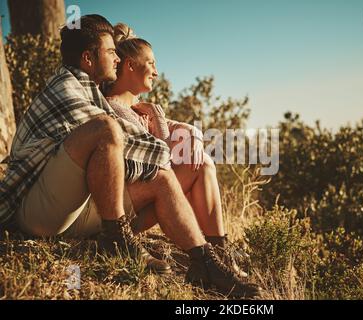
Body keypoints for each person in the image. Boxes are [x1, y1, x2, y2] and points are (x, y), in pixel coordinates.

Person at [0, 14, 261, 298]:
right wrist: (163, 146)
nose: (116, 58)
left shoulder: (92, 94)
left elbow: (139, 151)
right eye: (111, 52)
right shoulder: (66, 88)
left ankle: (205, 263)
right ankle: (118, 239)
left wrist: (176, 140)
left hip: (74, 212)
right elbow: (126, 140)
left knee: (161, 179)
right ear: (88, 58)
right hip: (38, 213)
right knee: (107, 129)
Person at [103, 23, 247, 277]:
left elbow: (177, 135)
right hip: (125, 211)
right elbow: (160, 166)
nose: (156, 72)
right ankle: (217, 256)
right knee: (201, 164)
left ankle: (220, 253)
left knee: (202, 162)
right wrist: (158, 120)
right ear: (130, 66)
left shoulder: (134, 109)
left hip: (142, 198)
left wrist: (187, 133)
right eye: (151, 63)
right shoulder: (115, 109)